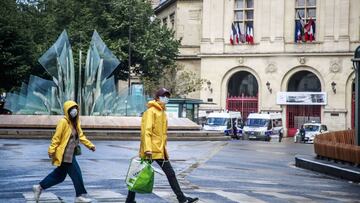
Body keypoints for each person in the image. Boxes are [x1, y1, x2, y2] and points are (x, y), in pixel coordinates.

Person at [125, 88, 199, 203]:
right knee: (140, 173)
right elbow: (146, 131)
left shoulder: (162, 112)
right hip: (151, 151)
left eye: (167, 96)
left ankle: (181, 198)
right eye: (163, 96)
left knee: (167, 174)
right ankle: (181, 199)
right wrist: (148, 149)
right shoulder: (150, 112)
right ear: (157, 98)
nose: (166, 98)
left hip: (160, 150)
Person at [32, 100, 96, 203]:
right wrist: (51, 150)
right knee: (77, 173)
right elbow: (56, 137)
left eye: (75, 108)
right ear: (67, 110)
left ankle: (39, 187)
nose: (74, 111)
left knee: (59, 176)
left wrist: (90, 145)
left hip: (71, 154)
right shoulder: (63, 122)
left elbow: (81, 136)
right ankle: (79, 196)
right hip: (65, 155)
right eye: (71, 109)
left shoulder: (76, 122)